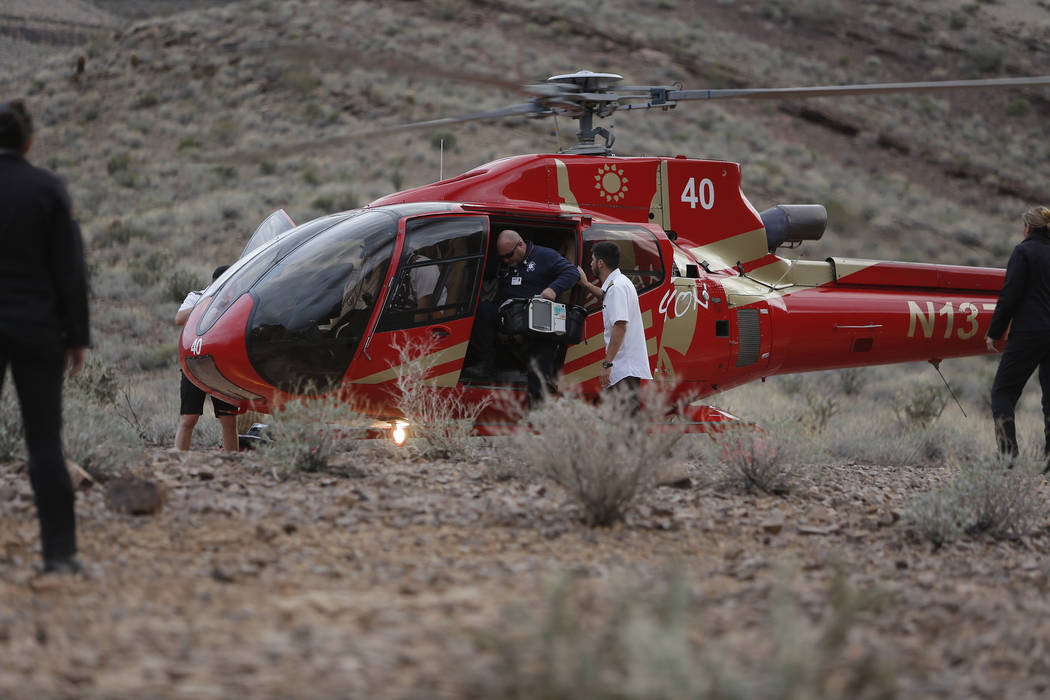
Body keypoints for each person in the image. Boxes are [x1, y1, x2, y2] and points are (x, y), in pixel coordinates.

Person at [0, 100, 90, 574]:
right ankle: (58, 554)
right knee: (44, 444)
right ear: (29, 140)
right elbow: (70, 269)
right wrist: (76, 335)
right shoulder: (47, 189)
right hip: (37, 328)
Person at [466, 229, 580, 402]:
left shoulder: (545, 256)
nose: (506, 260)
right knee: (481, 310)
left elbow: (572, 273)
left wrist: (553, 289)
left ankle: (536, 407)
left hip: (534, 318)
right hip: (509, 312)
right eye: (502, 257)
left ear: (520, 245)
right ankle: (484, 363)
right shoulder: (505, 260)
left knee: (543, 351)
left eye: (509, 255)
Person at [985, 206, 1050, 468]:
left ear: (1027, 227)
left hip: (1029, 332)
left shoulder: (1023, 251)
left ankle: (1008, 457)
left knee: (1003, 392)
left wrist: (994, 332)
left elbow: (1009, 296)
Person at [579, 241, 652, 409]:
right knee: (622, 425)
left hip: (622, 369)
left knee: (623, 427)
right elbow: (606, 296)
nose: (590, 264)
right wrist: (586, 284)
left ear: (600, 263)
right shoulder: (619, 283)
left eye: (592, 260)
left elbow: (620, 326)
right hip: (625, 369)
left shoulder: (616, 288)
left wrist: (607, 363)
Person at [175, 265, 239, 451]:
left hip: (222, 366)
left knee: (229, 419)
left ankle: (231, 462)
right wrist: (208, 303)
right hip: (195, 363)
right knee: (188, 418)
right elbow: (179, 318)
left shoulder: (237, 298)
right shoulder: (197, 296)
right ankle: (179, 460)